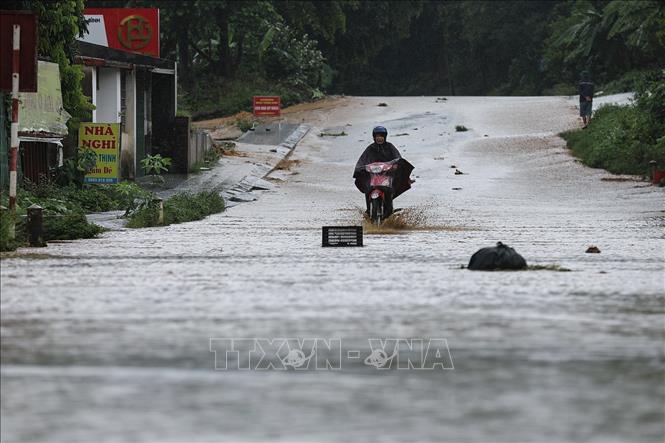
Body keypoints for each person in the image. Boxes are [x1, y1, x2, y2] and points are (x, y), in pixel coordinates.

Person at [353, 126, 413, 215]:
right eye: (377, 136)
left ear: (385, 137)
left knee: (389, 190)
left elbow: (398, 158)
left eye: (381, 136)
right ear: (374, 137)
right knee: (368, 189)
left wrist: (396, 165)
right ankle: (368, 209)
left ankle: (389, 210)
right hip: (373, 176)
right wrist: (360, 167)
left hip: (388, 174)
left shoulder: (390, 147)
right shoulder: (370, 148)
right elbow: (363, 159)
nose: (379, 138)